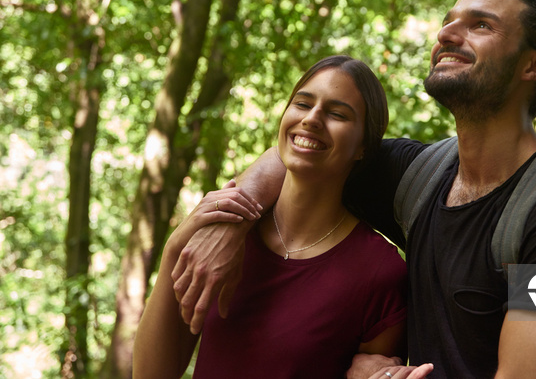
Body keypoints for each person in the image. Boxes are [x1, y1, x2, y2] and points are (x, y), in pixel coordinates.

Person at [169, 0, 536, 378]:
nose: (447, 33)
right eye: (449, 21)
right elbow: (302, 151)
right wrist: (232, 218)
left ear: (534, 65)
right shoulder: (422, 177)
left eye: (481, 25)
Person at [134, 55, 415, 378]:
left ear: (364, 146)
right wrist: (177, 246)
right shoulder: (221, 236)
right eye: (302, 104)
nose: (312, 119)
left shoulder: (380, 272)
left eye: (337, 113)